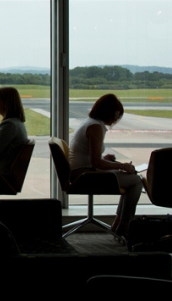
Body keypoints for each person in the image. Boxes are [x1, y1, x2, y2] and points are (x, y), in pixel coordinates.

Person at [69, 93, 142, 237]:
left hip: (81, 172)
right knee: (136, 181)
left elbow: (90, 157)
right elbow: (97, 163)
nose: (116, 119)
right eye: (116, 114)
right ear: (109, 112)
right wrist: (122, 166)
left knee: (131, 179)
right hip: (85, 176)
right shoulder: (96, 127)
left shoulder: (89, 122)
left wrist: (105, 158)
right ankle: (124, 225)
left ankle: (119, 222)